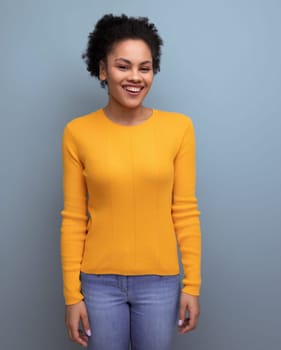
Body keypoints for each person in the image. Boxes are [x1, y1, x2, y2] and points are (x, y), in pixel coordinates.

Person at [60, 14, 202, 350]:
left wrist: (192, 285)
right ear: (103, 70)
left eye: (145, 67)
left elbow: (184, 211)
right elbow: (74, 218)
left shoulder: (179, 129)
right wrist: (72, 295)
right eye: (123, 66)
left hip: (160, 283)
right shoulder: (77, 132)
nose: (135, 77)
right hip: (98, 284)